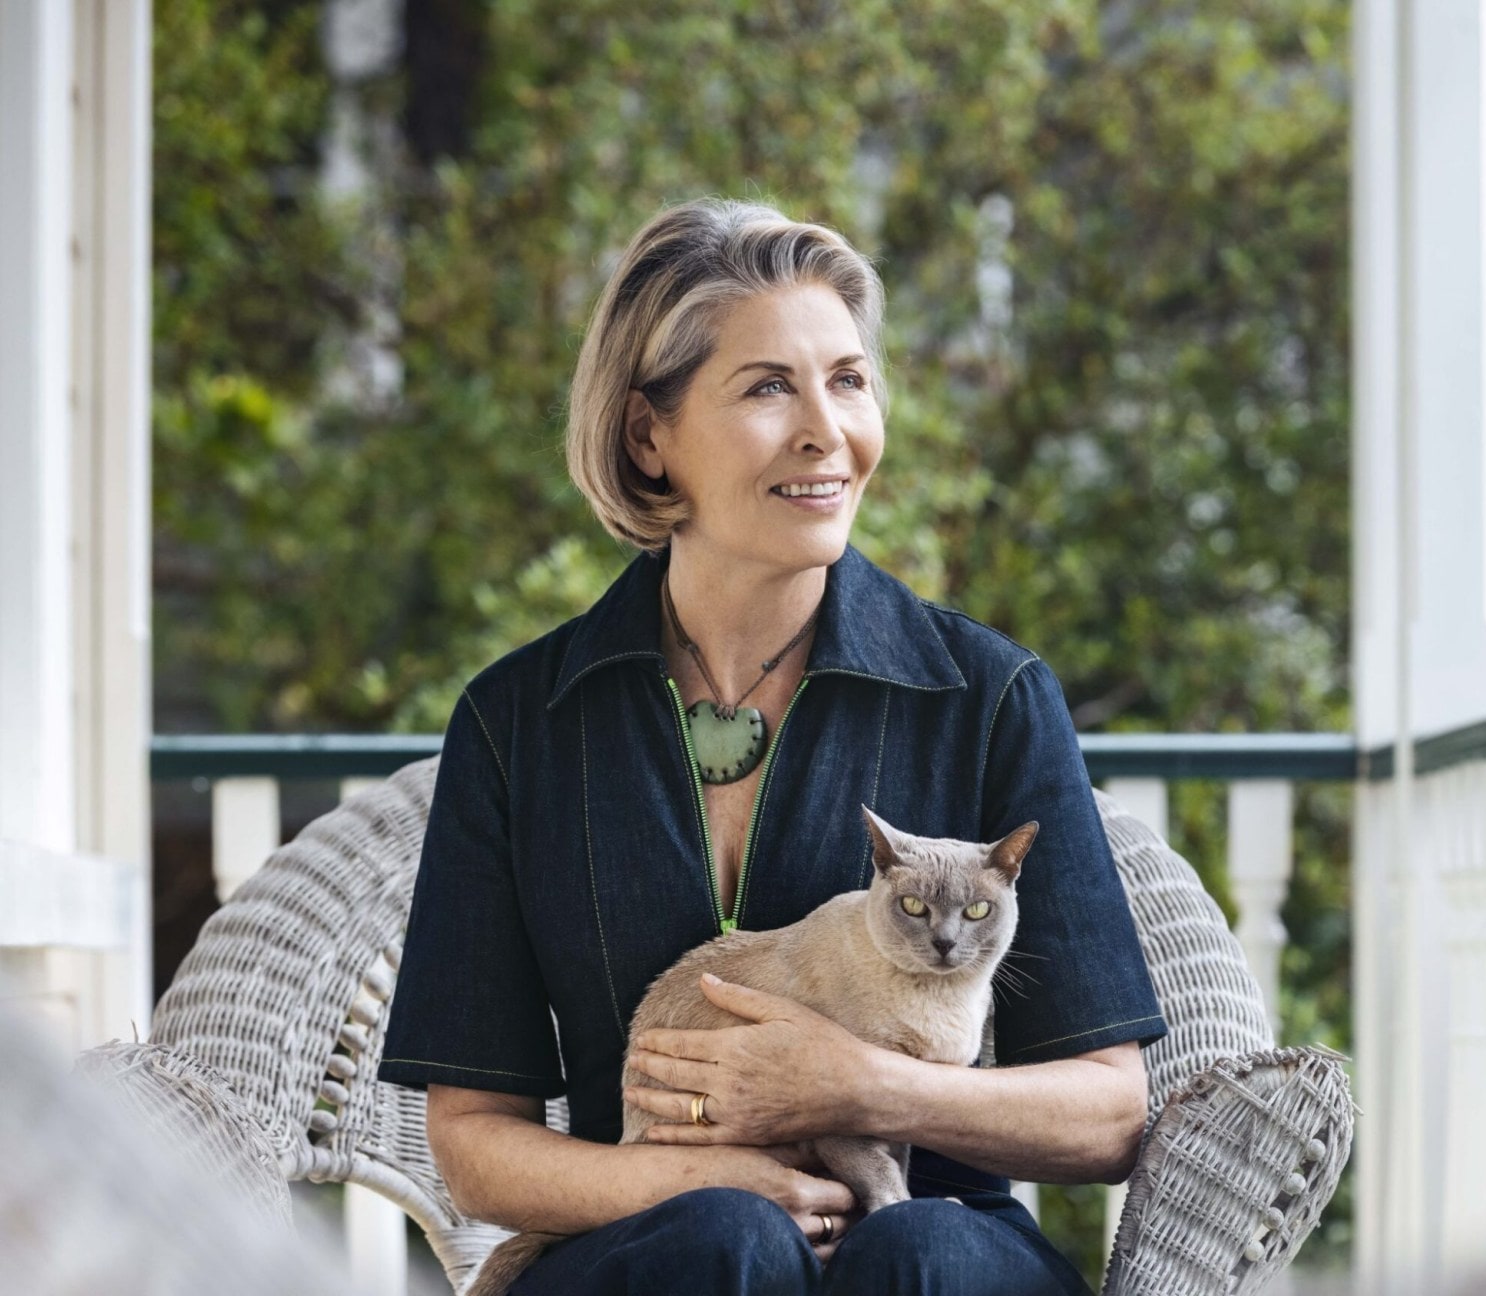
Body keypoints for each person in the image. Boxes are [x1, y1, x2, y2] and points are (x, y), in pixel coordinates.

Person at [378, 198, 1167, 1295]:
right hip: (647, 1238)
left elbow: (1109, 1114)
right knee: (724, 1244)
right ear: (649, 436)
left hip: (938, 1245)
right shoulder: (518, 724)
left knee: (918, 1249)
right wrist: (702, 1185)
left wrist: (863, 1090)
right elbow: (472, 1141)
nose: (825, 429)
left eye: (847, 379)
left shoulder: (990, 697)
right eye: (766, 387)